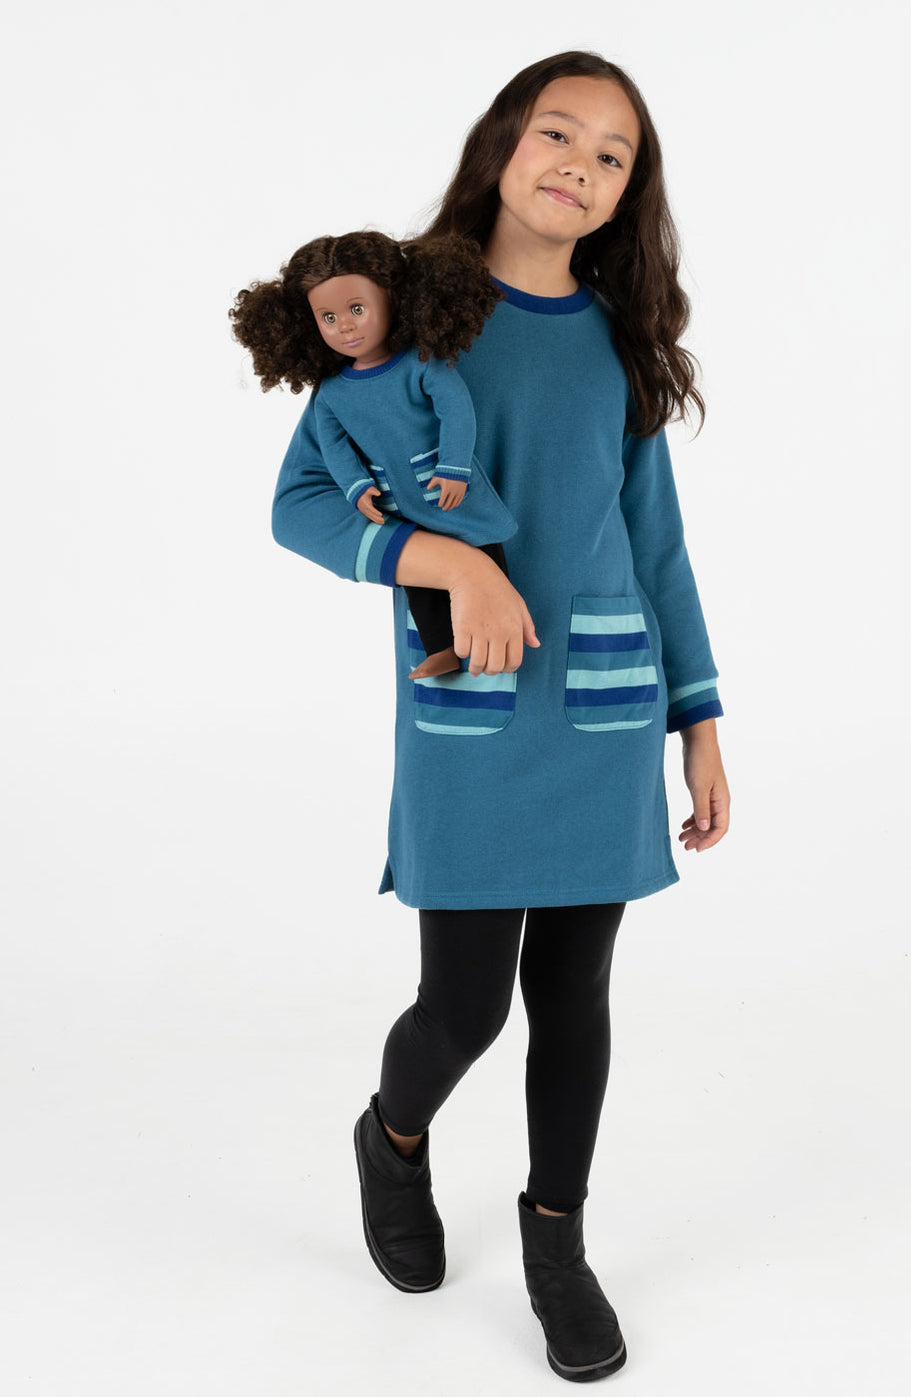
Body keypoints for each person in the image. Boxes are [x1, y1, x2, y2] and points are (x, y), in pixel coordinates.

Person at [267, 50, 732, 1383]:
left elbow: (656, 543)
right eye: (558, 133)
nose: (579, 165)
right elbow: (302, 504)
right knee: (463, 1008)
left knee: (573, 997)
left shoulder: (621, 342)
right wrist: (449, 563)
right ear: (503, 144)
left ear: (628, 193)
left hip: (603, 714)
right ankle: (393, 1137)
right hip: (468, 717)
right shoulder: (405, 314)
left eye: (612, 154)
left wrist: (699, 719)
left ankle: (555, 1240)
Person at [230, 231, 516, 676]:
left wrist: (455, 466)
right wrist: (356, 487)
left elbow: (457, 412)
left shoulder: (421, 363)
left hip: (444, 485)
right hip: (396, 500)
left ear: (393, 300)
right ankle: (441, 647)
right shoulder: (332, 393)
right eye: (328, 317)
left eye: (357, 309)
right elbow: (334, 446)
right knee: (420, 579)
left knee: (481, 540)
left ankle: (500, 622)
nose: (344, 325)